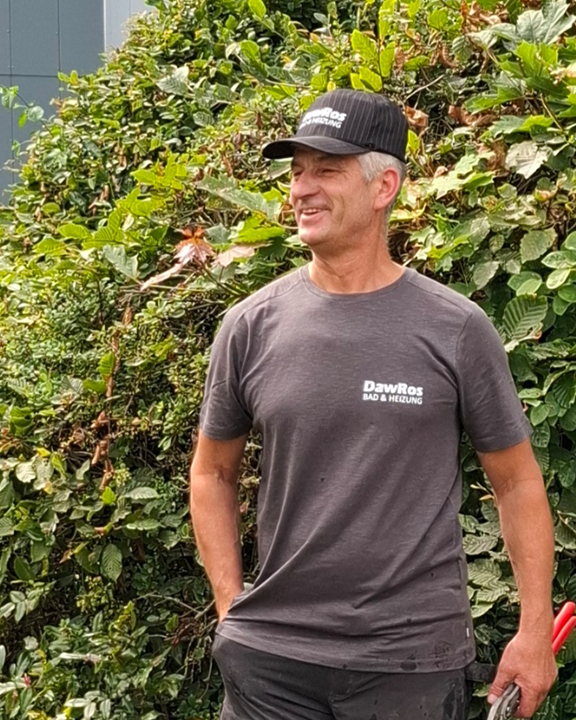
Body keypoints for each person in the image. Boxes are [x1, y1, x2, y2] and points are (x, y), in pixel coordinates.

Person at [189, 89, 556, 720]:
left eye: (326, 170)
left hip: (409, 664)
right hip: (272, 664)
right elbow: (212, 473)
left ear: (384, 185)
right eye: (296, 171)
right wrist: (231, 609)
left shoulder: (454, 328)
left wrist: (534, 629)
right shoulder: (250, 326)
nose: (301, 189)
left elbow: (517, 482)